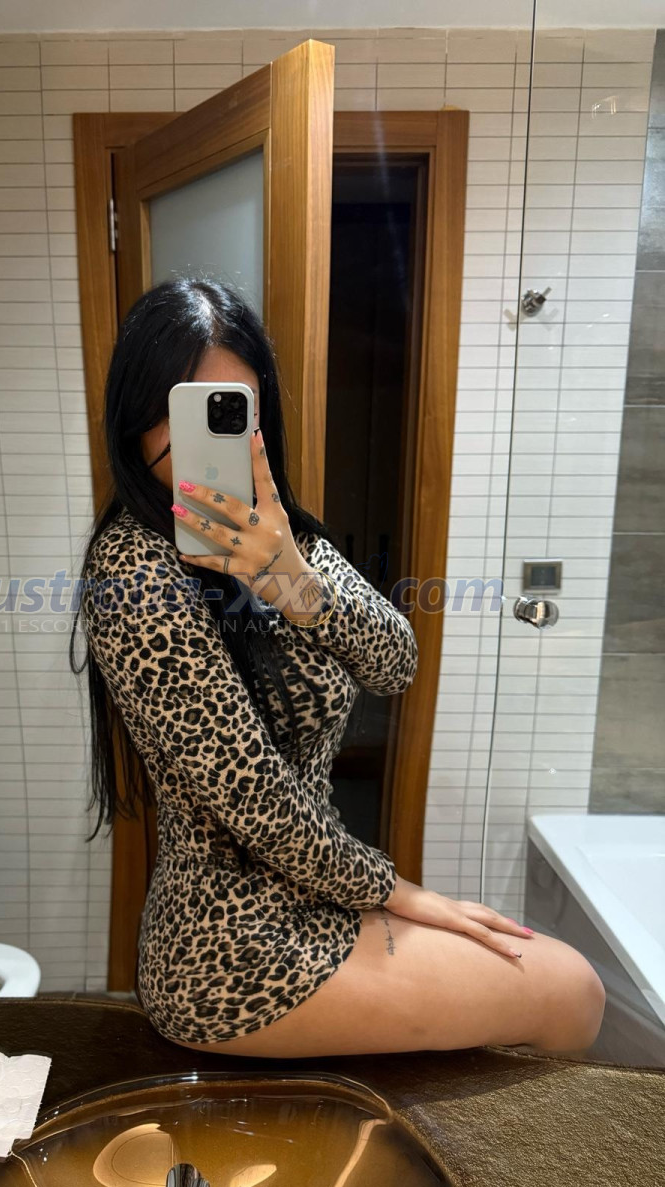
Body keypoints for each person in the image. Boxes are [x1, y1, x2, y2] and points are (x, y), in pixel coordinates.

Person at [72, 276, 606, 1059]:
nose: (204, 441)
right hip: (230, 948)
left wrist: (294, 582)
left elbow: (396, 663)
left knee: (567, 988)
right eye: (182, 411)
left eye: (232, 411)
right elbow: (254, 798)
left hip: (319, 897)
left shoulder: (281, 538)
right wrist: (400, 892)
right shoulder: (133, 569)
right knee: (571, 990)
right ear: (136, 419)